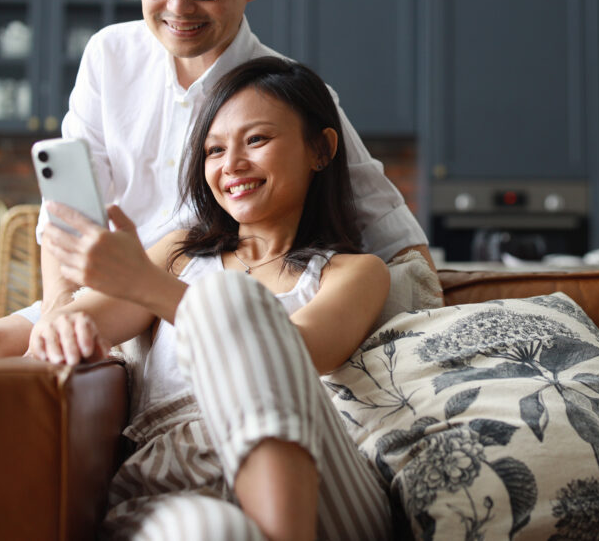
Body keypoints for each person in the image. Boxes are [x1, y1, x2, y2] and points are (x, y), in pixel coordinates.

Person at [0, 0, 431, 364]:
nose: (178, 7)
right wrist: (61, 308)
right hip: (119, 292)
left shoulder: (284, 92)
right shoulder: (109, 54)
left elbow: (391, 231)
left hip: (200, 289)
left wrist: (431, 338)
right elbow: (68, 208)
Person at [33, 56, 392, 540]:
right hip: (175, 480)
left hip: (319, 480)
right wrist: (61, 327)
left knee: (232, 296)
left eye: (256, 140)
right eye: (214, 150)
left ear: (321, 149)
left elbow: (300, 350)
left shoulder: (356, 272)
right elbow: (77, 322)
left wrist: (146, 284)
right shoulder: (180, 254)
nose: (231, 165)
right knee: (208, 532)